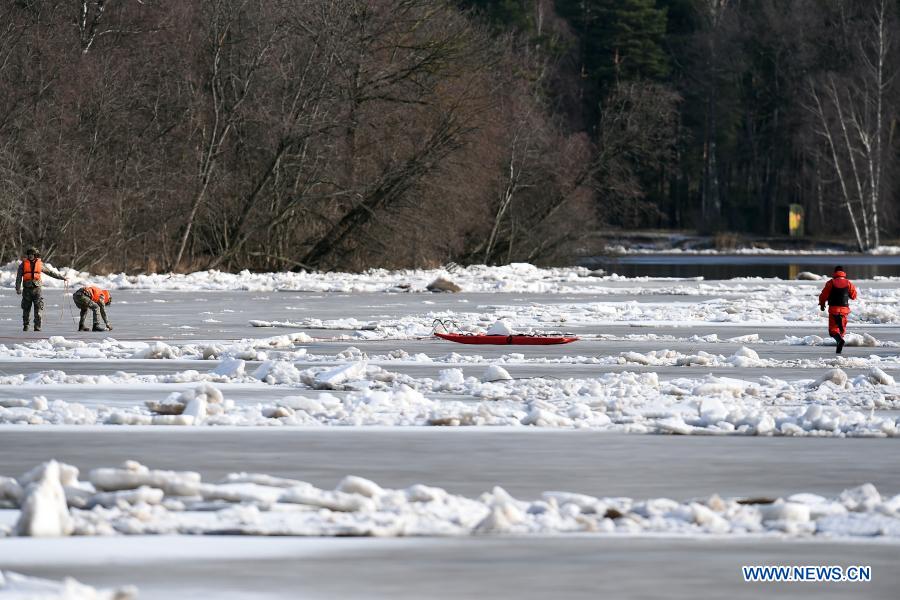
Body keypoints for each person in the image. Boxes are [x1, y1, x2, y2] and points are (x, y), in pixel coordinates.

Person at [15, 247, 68, 332]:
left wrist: (62, 277)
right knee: (26, 309)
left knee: (38, 309)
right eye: (29, 254)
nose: (30, 256)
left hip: (37, 290)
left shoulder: (40, 264)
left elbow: (50, 273)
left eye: (32, 254)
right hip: (27, 290)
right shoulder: (23, 265)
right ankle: (26, 326)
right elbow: (18, 278)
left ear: (35, 255)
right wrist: (18, 288)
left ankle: (37, 327)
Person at [818, 265, 858, 354]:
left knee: (833, 331)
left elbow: (823, 295)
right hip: (844, 310)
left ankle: (839, 341)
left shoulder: (831, 282)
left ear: (835, 273)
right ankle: (839, 347)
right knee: (842, 330)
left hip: (833, 309)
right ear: (843, 273)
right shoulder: (848, 283)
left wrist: (822, 304)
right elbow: (854, 296)